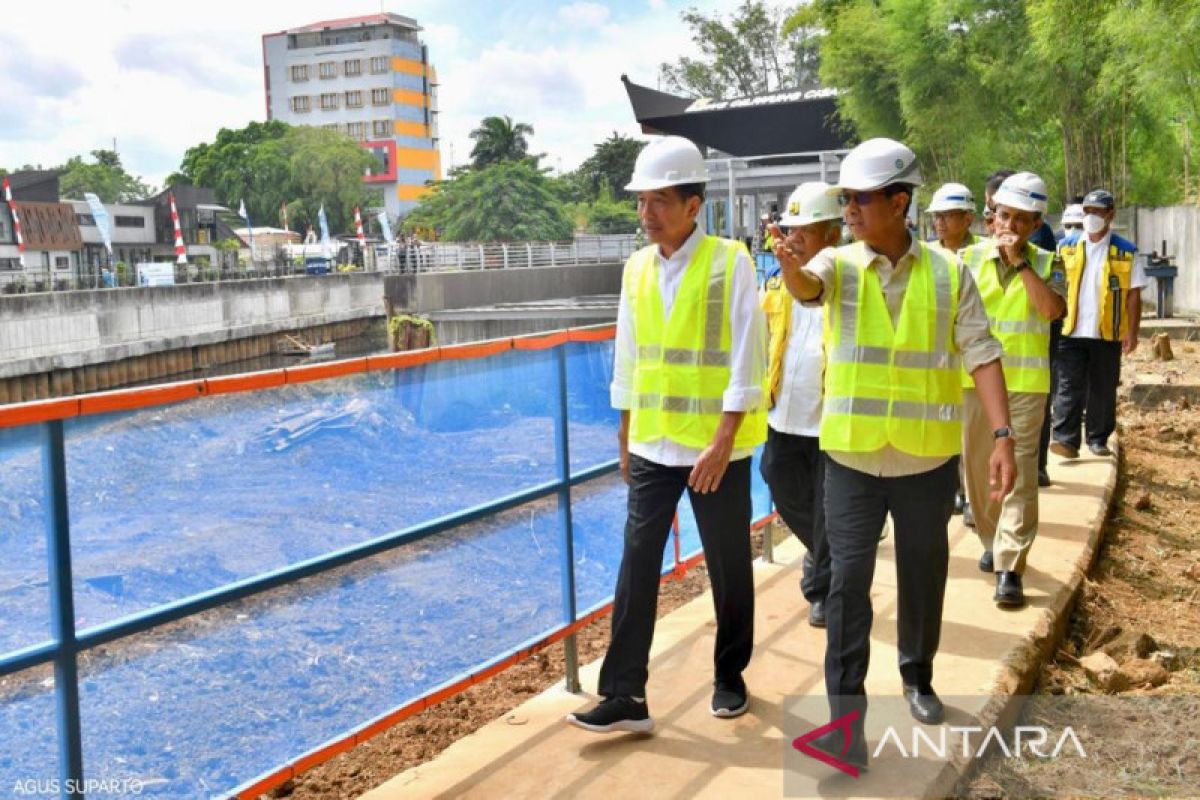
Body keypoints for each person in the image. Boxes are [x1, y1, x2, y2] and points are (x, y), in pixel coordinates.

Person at [779, 138, 1016, 771]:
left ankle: (917, 676)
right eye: (847, 198)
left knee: (922, 576)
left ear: (899, 201)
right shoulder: (837, 264)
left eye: (861, 199)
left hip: (924, 463)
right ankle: (844, 728)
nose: (849, 209)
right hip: (852, 462)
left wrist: (1002, 437)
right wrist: (790, 268)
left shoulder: (949, 273)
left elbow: (984, 353)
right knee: (847, 589)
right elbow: (807, 290)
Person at [566, 136, 767, 734]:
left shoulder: (732, 262)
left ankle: (730, 676)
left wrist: (726, 438)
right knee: (636, 564)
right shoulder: (635, 269)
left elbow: (747, 359)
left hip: (714, 449)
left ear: (693, 204)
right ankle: (625, 694)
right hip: (653, 446)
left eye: (658, 200)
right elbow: (628, 357)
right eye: (641, 201)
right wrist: (624, 432)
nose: (646, 213)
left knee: (728, 564)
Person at [959, 173, 1066, 608]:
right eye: (1006, 216)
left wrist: (1020, 263)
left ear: (1037, 222)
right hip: (973, 386)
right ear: (992, 216)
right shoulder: (966, 260)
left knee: (1017, 475)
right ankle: (992, 539)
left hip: (1025, 386)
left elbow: (1051, 310)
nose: (1013, 227)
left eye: (1024, 220)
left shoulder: (1047, 263)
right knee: (979, 476)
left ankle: (1010, 566)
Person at [759, 182, 841, 629]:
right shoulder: (775, 284)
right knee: (775, 476)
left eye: (802, 232)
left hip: (831, 418)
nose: (791, 241)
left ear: (831, 235)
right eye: (788, 232)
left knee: (828, 505)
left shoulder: (848, 282)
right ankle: (837, 553)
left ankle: (822, 589)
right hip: (784, 413)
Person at [1051, 189, 1145, 458]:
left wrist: (1132, 332)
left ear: (1110, 215)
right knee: (1068, 385)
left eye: (1098, 212)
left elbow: (1133, 294)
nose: (1092, 217)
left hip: (1108, 330)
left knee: (1103, 387)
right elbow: (1056, 285)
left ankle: (1097, 438)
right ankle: (1065, 439)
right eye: (1088, 212)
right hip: (1070, 329)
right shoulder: (1066, 246)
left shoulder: (1125, 252)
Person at [927, 182, 980, 519]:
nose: (941, 222)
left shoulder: (985, 255)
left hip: (974, 361)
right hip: (938, 362)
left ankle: (975, 498)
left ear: (968, 218)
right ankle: (955, 490)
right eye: (937, 216)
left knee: (974, 440)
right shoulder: (926, 257)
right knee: (944, 432)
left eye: (948, 215)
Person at [927, 182, 979, 253]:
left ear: (968, 218)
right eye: (936, 215)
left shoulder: (988, 250)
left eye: (946, 215)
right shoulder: (928, 252)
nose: (939, 222)